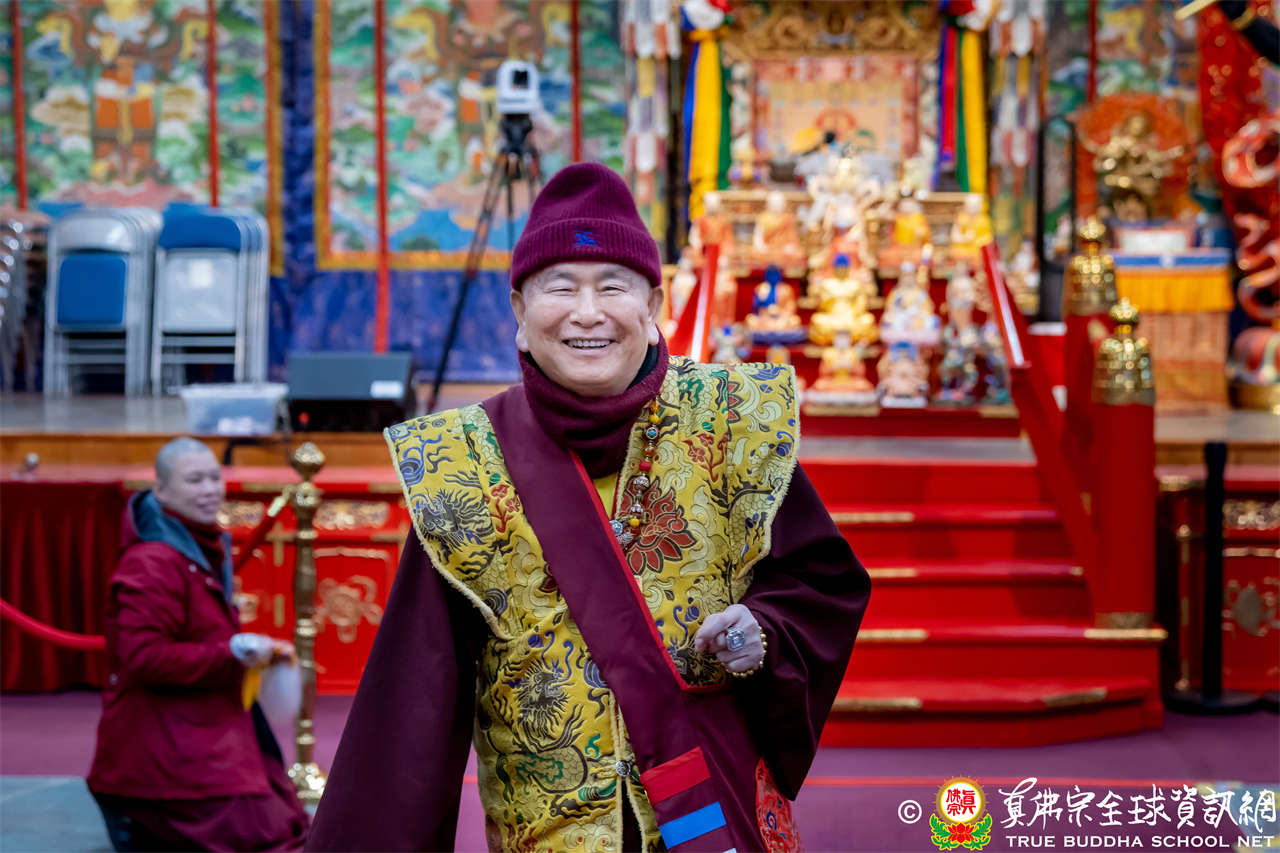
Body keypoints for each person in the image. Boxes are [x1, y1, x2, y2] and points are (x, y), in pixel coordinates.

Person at [307, 163, 870, 852]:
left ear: (653, 304)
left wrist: (765, 629)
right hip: (549, 832)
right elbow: (411, 703)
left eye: (612, 286)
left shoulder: (733, 422)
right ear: (520, 313)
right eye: (561, 287)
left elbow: (821, 584)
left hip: (712, 811)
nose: (587, 312)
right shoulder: (461, 462)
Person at [87, 438, 309, 852]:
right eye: (194, 481)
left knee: (290, 822)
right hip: (161, 752)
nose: (210, 490)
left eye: (214, 478)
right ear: (161, 490)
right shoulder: (152, 563)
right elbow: (144, 658)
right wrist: (232, 652)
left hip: (205, 728)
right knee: (268, 836)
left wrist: (242, 648)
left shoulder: (195, 546)